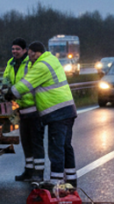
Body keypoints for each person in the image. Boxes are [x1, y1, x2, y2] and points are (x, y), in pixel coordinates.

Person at [24, 41, 77, 189]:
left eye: (30, 54)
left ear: (36, 53)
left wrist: (10, 93)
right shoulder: (52, 60)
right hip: (68, 110)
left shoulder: (41, 65)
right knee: (66, 146)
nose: (29, 58)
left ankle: (56, 183)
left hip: (57, 113)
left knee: (56, 147)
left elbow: (25, 85)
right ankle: (71, 182)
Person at [2, 38, 46, 182]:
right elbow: (6, 79)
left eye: (17, 49)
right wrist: (4, 89)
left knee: (36, 142)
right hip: (21, 109)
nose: (14, 51)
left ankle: (38, 173)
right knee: (26, 143)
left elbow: (29, 83)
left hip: (34, 109)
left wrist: (13, 92)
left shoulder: (31, 63)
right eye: (13, 49)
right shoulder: (10, 63)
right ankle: (28, 171)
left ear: (25, 50)